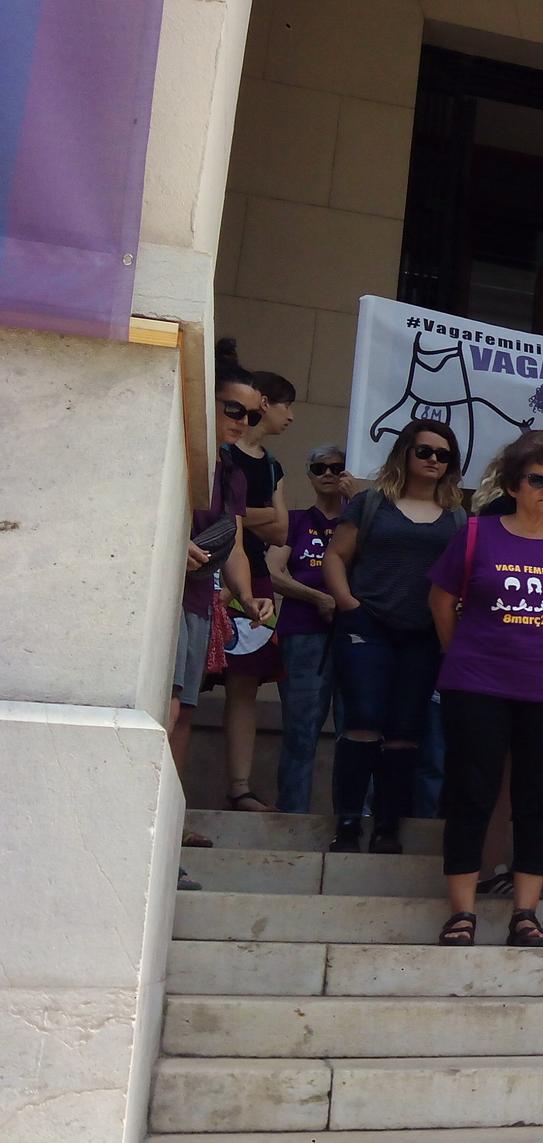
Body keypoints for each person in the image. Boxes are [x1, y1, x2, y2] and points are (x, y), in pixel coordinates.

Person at [431, 436, 543, 948]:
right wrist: (464, 655)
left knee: (537, 798)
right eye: (538, 479)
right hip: (477, 684)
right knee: (471, 794)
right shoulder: (476, 534)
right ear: (513, 485)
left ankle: (525, 913)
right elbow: (441, 602)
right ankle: (462, 912)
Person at [322, 420, 466, 854]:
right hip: (368, 624)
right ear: (405, 453)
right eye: (425, 451)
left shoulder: (458, 517)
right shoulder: (371, 503)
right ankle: (348, 821)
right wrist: (348, 602)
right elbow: (336, 555)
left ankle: (389, 824)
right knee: (363, 719)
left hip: (423, 633)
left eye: (443, 455)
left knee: (406, 729)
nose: (434, 461)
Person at [169, 362, 269, 876]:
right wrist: (171, 544)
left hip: (197, 599)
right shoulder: (173, 444)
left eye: (252, 415)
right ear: (205, 399)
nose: (242, 422)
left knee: (183, 712)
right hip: (159, 601)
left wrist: (247, 597)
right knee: (164, 710)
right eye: (234, 409)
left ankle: (168, 816)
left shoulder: (230, 470)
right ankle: (153, 820)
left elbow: (230, 543)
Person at [216, 367, 297, 813]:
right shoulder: (220, 452)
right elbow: (223, 513)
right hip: (206, 568)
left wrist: (247, 516)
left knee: (245, 681)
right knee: (187, 682)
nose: (292, 417)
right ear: (267, 402)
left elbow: (283, 529)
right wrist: (253, 515)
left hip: (255, 575)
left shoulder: (271, 465)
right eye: (288, 405)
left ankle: (240, 786)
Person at [269, 444, 350, 814]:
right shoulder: (298, 521)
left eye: (338, 466)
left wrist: (357, 504)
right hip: (304, 632)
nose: (330, 473)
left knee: (357, 731)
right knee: (301, 729)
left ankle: (351, 817)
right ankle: (292, 814)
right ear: (310, 474)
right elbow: (273, 572)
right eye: (321, 468)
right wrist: (316, 597)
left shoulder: (360, 521)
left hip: (354, 636)